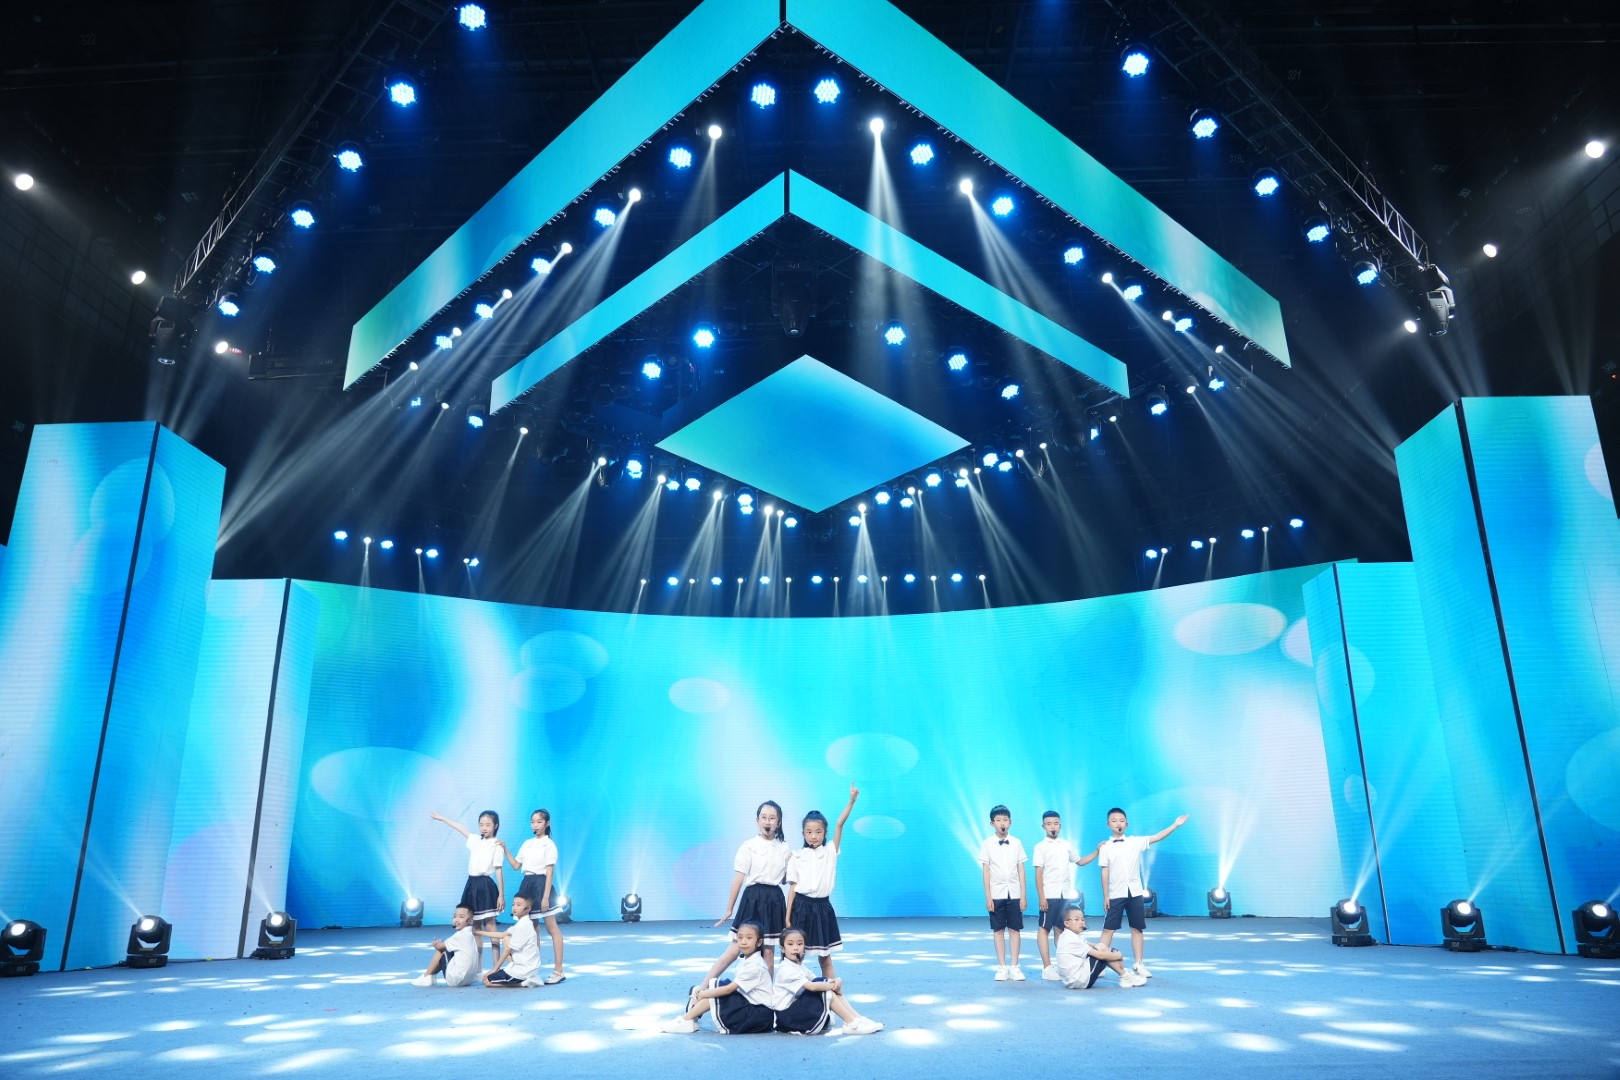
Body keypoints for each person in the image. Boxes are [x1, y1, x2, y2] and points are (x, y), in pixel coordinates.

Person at [1097, 807, 1189, 980]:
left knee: (1137, 928)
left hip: (1135, 892)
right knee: (1108, 929)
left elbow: (1157, 837)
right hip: (1116, 893)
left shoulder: (1135, 842)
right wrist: (1106, 895)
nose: (1118, 823)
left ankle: (1139, 963)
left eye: (1121, 820)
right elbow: (1104, 871)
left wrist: (1175, 825)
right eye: (1114, 821)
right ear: (1108, 824)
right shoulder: (1105, 847)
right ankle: (1099, 963)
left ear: (1127, 824)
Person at [706, 800, 789, 978]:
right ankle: (703, 987)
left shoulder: (784, 847)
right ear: (757, 820)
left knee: (768, 952)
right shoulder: (749, 845)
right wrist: (729, 909)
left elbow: (784, 880)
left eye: (772, 818)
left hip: (774, 899)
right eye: (764, 817)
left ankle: (766, 992)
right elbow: (738, 878)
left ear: (779, 822)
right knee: (736, 947)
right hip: (753, 898)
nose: (767, 822)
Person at [784, 784, 857, 980]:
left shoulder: (830, 851)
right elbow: (792, 889)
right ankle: (791, 991)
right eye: (809, 832)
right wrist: (788, 917)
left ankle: (832, 992)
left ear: (825, 833)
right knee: (793, 956)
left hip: (822, 909)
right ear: (803, 834)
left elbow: (840, 824)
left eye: (818, 831)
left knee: (825, 958)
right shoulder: (797, 856)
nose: (813, 836)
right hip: (801, 907)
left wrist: (851, 801)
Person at [661, 921, 775, 1033]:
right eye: (740, 937)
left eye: (749, 938)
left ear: (759, 942)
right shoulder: (747, 960)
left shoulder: (754, 965)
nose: (743, 942)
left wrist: (705, 993)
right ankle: (689, 1018)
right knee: (716, 989)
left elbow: (729, 989)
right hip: (753, 1009)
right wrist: (707, 992)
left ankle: (686, 1019)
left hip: (760, 1016)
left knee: (718, 990)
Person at [770, 928, 883, 1035]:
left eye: (799, 944)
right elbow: (812, 987)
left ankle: (857, 1018)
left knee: (824, 984)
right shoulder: (786, 969)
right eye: (790, 944)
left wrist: (835, 982)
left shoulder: (799, 967)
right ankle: (851, 1024)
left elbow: (818, 980)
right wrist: (833, 985)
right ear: (782, 948)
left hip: (794, 1011)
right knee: (825, 989)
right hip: (787, 1017)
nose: (795, 948)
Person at [502, 808, 566, 984]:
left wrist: (545, 897)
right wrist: (505, 849)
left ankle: (558, 970)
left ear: (547, 823)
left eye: (539, 821)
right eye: (532, 822)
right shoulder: (527, 844)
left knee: (552, 928)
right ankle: (532, 970)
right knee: (532, 929)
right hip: (527, 884)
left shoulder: (549, 845)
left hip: (542, 884)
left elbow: (549, 872)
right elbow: (516, 865)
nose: (535, 825)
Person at [1032, 810, 1098, 981]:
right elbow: (1038, 874)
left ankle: (1065, 965)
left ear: (1060, 826)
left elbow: (1080, 861)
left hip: (1065, 894)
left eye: (1055, 823)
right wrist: (1041, 897)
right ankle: (1047, 967)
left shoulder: (1066, 845)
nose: (1052, 827)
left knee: (1061, 930)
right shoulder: (1040, 847)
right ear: (1043, 826)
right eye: (1049, 824)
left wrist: (1097, 851)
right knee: (1044, 928)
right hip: (1050, 894)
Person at [429, 810, 505, 953]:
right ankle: (477, 963)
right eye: (481, 824)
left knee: (490, 925)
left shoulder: (497, 845)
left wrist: (501, 895)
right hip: (471, 884)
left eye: (488, 825)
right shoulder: (475, 840)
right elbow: (459, 827)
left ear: (496, 825)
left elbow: (498, 870)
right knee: (476, 926)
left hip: (485, 885)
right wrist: (441, 818)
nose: (484, 828)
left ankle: (496, 963)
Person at [978, 804, 1029, 981]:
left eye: (1005, 820)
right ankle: (1001, 967)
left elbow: (1021, 870)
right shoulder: (987, 844)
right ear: (992, 823)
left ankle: (1015, 966)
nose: (1002, 823)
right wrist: (988, 896)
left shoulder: (1017, 842)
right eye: (998, 820)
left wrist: (1023, 895)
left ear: (1010, 822)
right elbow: (986, 871)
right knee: (998, 930)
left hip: (1014, 893)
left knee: (1015, 929)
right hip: (996, 893)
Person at [1055, 906, 1144, 989]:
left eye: (1082, 919)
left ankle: (1124, 974)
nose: (1081, 922)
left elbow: (1086, 943)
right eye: (1076, 919)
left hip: (1071, 980)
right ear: (1067, 923)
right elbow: (1101, 956)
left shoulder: (1067, 935)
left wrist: (1098, 946)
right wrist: (1119, 955)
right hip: (1080, 980)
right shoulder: (1072, 939)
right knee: (1104, 952)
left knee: (1102, 947)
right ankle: (1126, 976)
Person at [477, 895, 542, 987]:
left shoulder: (522, 926)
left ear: (528, 909)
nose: (514, 907)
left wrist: (494, 969)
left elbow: (508, 950)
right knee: (506, 938)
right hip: (529, 967)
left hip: (523, 970)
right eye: (513, 904)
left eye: (518, 905)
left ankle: (523, 983)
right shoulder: (523, 923)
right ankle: (521, 974)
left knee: (487, 981)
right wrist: (479, 932)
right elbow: (502, 935)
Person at [409, 904, 480, 987]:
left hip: (456, 980)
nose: (456, 920)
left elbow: (439, 946)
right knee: (447, 947)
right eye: (455, 916)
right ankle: (429, 977)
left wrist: (436, 943)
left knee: (442, 950)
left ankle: (426, 976)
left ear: (471, 920)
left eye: (461, 917)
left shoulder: (460, 935)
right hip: (469, 980)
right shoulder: (470, 934)